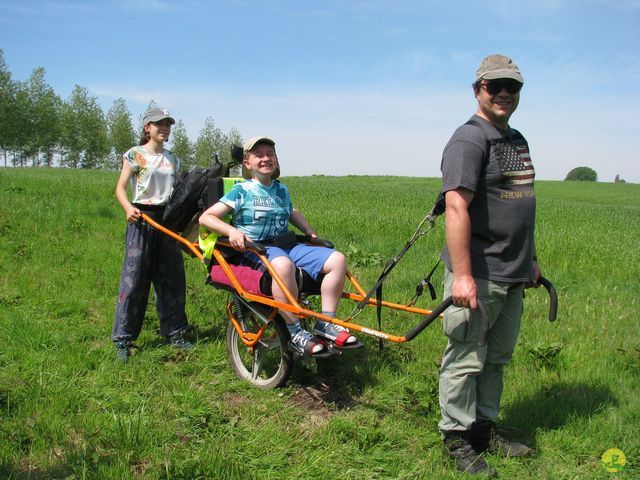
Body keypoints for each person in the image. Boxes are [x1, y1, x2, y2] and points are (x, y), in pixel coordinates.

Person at [437, 54, 541, 476]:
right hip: (478, 272)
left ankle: (483, 429)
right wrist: (462, 274)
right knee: (465, 358)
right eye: (494, 85)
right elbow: (456, 206)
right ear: (477, 89)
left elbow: (520, 206)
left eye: (512, 86)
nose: (503, 93)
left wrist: (531, 259)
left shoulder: (516, 139)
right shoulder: (469, 139)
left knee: (496, 359)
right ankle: (456, 439)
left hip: (513, 272)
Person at [198, 136, 358, 355]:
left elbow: (292, 212)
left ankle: (326, 323)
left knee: (337, 259)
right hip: (257, 248)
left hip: (288, 244)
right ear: (247, 163)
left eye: (270, 154)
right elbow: (206, 218)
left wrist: (309, 232)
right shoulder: (242, 190)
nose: (266, 158)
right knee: (283, 266)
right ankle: (296, 331)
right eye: (259, 155)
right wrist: (232, 231)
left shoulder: (281, 189)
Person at [112, 107, 193, 362]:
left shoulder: (173, 159)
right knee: (134, 279)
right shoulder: (134, 155)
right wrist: (128, 209)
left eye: (168, 124)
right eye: (159, 124)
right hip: (142, 218)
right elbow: (120, 189)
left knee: (172, 278)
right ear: (147, 127)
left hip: (167, 220)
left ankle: (175, 332)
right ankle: (123, 339)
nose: (164, 128)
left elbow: (178, 192)